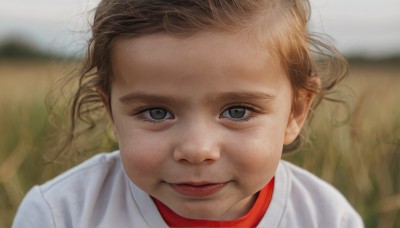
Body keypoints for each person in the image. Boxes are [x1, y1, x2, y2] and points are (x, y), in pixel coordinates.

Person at [13, 0, 364, 227]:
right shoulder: (63, 213)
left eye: (238, 111)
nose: (198, 149)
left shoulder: (326, 217)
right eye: (156, 112)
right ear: (111, 112)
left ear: (295, 113)